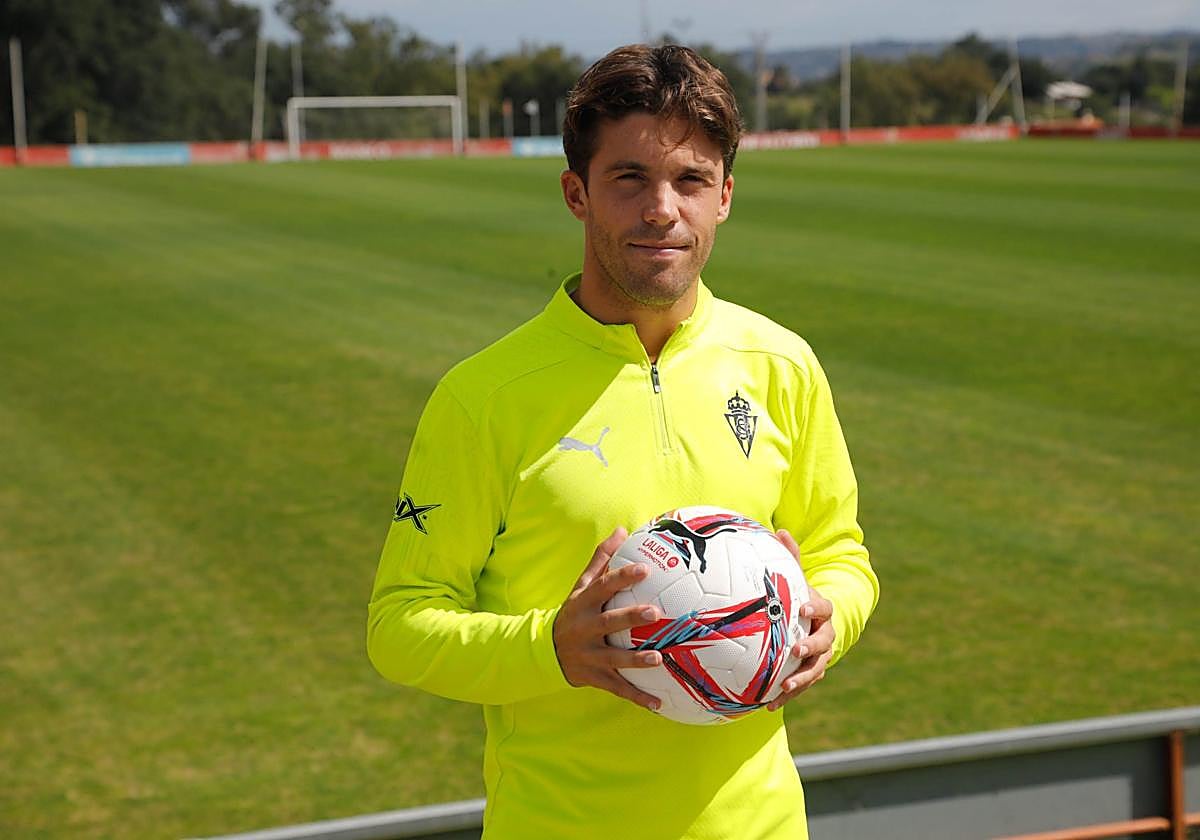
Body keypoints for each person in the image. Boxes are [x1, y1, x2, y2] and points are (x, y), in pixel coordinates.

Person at [368, 44, 879, 840]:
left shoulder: (781, 365)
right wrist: (551, 648)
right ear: (577, 193)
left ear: (725, 196)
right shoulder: (482, 397)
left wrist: (828, 620)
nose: (661, 210)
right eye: (630, 178)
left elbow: (839, 553)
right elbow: (400, 627)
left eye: (690, 180)